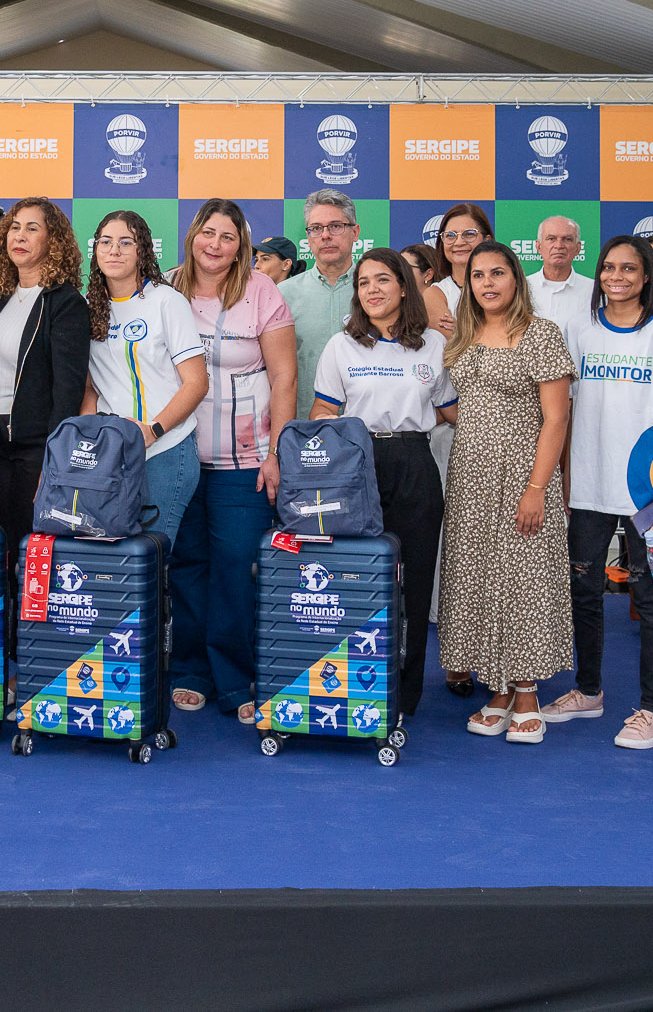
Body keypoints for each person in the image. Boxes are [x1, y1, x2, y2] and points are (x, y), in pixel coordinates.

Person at [540, 236, 653, 749]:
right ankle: (588, 691)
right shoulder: (579, 329)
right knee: (583, 592)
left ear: (647, 276)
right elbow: (559, 413)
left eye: (629, 269)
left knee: (649, 599)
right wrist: (560, 480)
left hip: (644, 490)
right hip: (586, 485)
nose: (617, 277)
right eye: (609, 268)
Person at [437, 240, 575, 744]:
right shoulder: (464, 335)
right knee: (476, 578)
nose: (488, 283)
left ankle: (526, 691)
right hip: (470, 477)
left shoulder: (541, 335)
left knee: (524, 581)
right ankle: (495, 689)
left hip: (525, 475)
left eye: (498, 273)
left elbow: (557, 418)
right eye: (477, 275)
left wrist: (538, 487)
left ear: (517, 279)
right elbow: (454, 404)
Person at [311, 248, 456, 716]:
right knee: (355, 577)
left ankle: (405, 693)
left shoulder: (433, 344)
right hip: (356, 466)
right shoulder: (343, 345)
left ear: (403, 287)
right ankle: (349, 682)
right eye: (363, 282)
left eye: (382, 280)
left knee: (413, 581)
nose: (372, 289)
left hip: (415, 462)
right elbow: (323, 414)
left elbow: (454, 410)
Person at [169, 199, 295, 720]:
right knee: (187, 567)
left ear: (241, 245)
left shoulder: (262, 291)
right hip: (176, 456)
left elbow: (285, 377)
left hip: (244, 460)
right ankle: (191, 670)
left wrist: (276, 453)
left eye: (228, 236)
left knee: (235, 569)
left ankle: (236, 678)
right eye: (208, 232)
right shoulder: (168, 287)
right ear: (193, 235)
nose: (215, 245)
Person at [82, 211, 208, 549]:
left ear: (143, 252)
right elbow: (91, 386)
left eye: (126, 242)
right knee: (111, 557)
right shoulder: (88, 306)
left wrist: (153, 431)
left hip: (165, 450)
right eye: (106, 242)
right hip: (110, 453)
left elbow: (196, 382)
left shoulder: (166, 301)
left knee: (150, 562)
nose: (114, 250)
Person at [0, 199, 90, 552]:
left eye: (32, 228)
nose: (20, 236)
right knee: (1, 548)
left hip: (34, 448)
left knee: (32, 550)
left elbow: (68, 388)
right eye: (14, 227)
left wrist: (55, 457)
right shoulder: (3, 296)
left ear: (52, 241)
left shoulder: (64, 301)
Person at [279, 189, 360, 397]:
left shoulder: (378, 292)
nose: (325, 235)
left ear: (355, 232)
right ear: (307, 236)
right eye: (316, 228)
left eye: (335, 226)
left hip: (366, 423)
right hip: (305, 423)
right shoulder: (283, 294)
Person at [525, 214, 589, 347]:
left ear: (578, 248)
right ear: (538, 246)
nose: (559, 245)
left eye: (567, 239)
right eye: (551, 239)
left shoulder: (594, 291)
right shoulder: (521, 287)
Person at [432, 203, 494, 314]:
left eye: (469, 234)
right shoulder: (435, 294)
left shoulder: (502, 287)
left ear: (487, 240)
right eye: (450, 235)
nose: (459, 242)